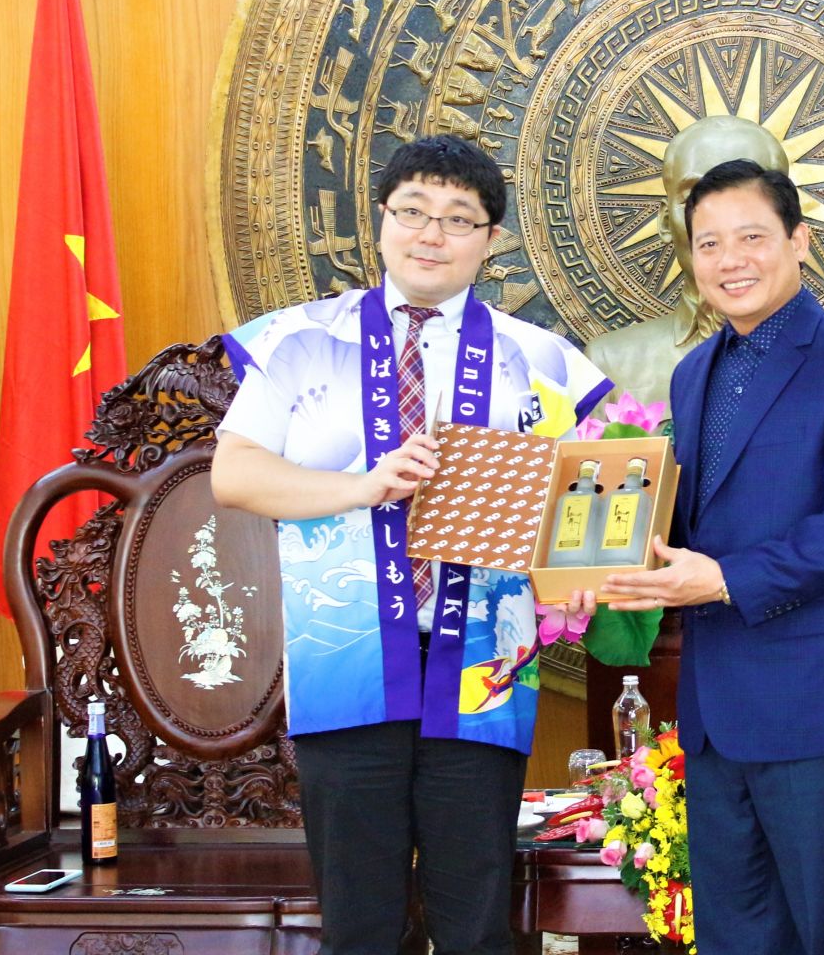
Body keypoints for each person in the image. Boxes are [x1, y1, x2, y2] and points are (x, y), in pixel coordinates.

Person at [212, 134, 611, 955]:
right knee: (359, 924)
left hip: (483, 667)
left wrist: (578, 573)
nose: (432, 234)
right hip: (346, 655)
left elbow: (594, 494)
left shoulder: (541, 360)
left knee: (477, 920)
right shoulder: (300, 340)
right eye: (414, 213)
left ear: (491, 240)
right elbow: (236, 476)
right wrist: (363, 486)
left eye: (459, 219)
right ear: (383, 222)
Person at [582, 159, 824, 954]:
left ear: (798, 242)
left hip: (820, 707)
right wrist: (621, 564)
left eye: (751, 237)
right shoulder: (696, 371)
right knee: (738, 937)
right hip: (715, 714)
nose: (729, 259)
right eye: (708, 244)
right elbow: (694, 518)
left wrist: (726, 578)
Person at [585, 116, 789, 413]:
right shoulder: (610, 364)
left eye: (747, 199)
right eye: (694, 198)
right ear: (667, 223)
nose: (720, 223)